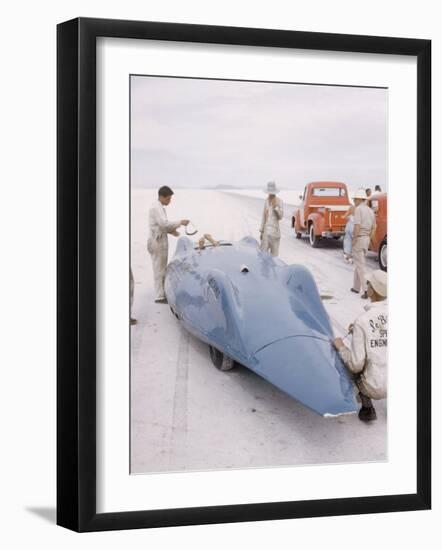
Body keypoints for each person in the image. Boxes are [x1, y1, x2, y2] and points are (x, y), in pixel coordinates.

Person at [333, 270, 387, 421]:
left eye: (368, 284)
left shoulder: (363, 321)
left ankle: (367, 406)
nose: (366, 286)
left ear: (372, 290)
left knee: (347, 359)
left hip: (374, 387)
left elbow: (355, 365)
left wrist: (340, 346)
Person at [147, 186, 189, 303]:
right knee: (159, 269)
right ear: (162, 197)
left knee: (161, 267)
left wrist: (171, 231)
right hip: (157, 241)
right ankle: (159, 296)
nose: (170, 201)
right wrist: (180, 222)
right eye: (169, 199)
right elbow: (164, 224)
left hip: (159, 239)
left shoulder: (159, 207)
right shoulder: (156, 208)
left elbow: (159, 225)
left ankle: (162, 293)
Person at [350, 188, 376, 299]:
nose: (354, 202)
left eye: (355, 199)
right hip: (366, 239)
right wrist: (369, 238)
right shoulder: (370, 211)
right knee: (359, 262)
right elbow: (374, 227)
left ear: (359, 199)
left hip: (359, 238)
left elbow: (357, 226)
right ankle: (356, 287)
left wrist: (354, 239)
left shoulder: (358, 210)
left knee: (360, 264)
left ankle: (366, 290)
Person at [259, 181, 284, 257]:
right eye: (269, 192)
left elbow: (281, 216)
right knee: (263, 256)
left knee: (274, 258)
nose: (270, 194)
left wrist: (275, 207)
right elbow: (264, 217)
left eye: (272, 192)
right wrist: (262, 231)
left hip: (275, 234)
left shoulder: (279, 201)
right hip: (266, 234)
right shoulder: (266, 201)